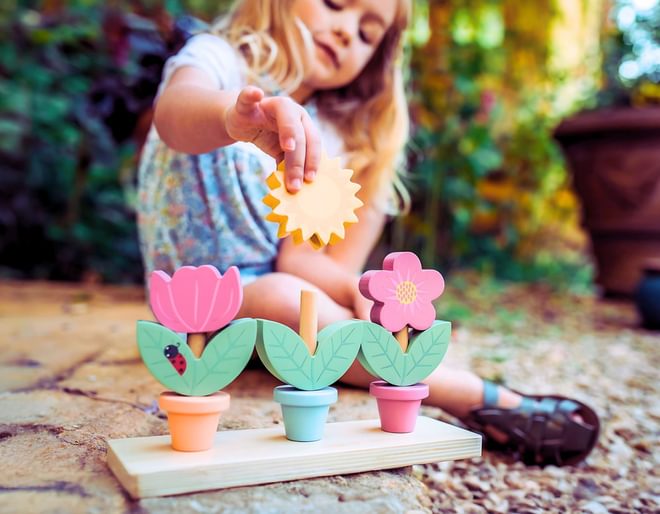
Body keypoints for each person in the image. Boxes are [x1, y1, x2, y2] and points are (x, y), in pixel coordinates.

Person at [137, 0, 599, 466]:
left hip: (275, 307)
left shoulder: (339, 139)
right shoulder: (220, 61)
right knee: (286, 297)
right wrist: (232, 121)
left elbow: (298, 260)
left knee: (299, 301)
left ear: (377, 59)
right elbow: (174, 116)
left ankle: (473, 393)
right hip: (188, 311)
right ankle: (469, 393)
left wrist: (363, 295)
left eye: (366, 32)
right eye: (335, 4)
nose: (344, 31)